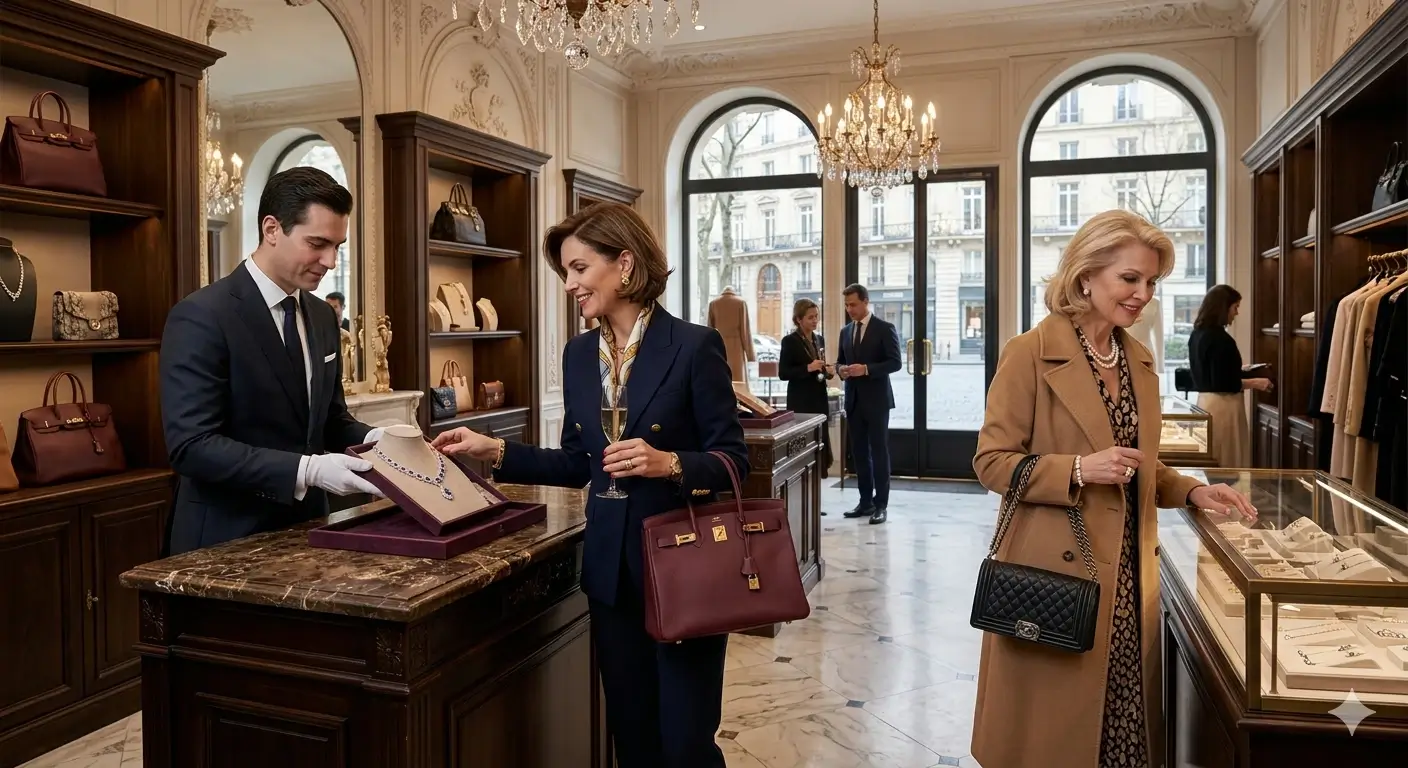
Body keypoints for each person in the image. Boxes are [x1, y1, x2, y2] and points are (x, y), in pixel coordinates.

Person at [431, 202, 748, 768]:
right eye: (566, 274)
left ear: (624, 264)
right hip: (610, 574)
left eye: (579, 269)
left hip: (683, 569)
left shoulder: (694, 347)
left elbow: (732, 462)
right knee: (633, 738)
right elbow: (579, 463)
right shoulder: (578, 356)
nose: (571, 285)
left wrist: (668, 463)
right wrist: (494, 450)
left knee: (685, 743)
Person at [969, 210, 1257, 768]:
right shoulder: (1029, 352)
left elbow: (1139, 463)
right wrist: (1077, 469)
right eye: (1130, 279)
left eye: (1151, 282)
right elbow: (991, 463)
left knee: (1120, 729)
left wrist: (1193, 491)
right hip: (1057, 574)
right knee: (1055, 738)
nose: (1142, 295)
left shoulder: (1138, 360)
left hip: (1129, 575)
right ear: (1085, 276)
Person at [160, 167, 386, 555]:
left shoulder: (320, 315)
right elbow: (192, 446)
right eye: (317, 243)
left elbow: (329, 420)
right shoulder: (202, 315)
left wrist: (374, 440)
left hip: (311, 530)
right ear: (271, 229)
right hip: (224, 540)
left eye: (338, 246)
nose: (330, 261)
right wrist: (308, 469)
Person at [835, 283, 901, 524]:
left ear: (865, 301)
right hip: (853, 401)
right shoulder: (845, 332)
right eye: (846, 305)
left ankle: (881, 505)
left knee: (879, 453)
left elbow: (895, 363)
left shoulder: (885, 328)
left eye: (853, 304)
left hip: (877, 402)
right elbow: (838, 363)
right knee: (860, 454)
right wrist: (840, 370)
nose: (849, 309)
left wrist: (866, 369)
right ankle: (865, 502)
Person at [1188, 284, 1272, 467]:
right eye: (1235, 307)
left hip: (1205, 402)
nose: (1236, 313)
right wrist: (1256, 382)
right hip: (1223, 406)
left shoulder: (1197, 334)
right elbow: (1222, 382)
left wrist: (1240, 369)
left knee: (1213, 457)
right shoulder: (1220, 338)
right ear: (1223, 307)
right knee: (1227, 460)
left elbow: (1212, 372)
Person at [778, 298, 834, 477]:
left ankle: (819, 471)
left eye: (816, 316)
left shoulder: (819, 339)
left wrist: (828, 372)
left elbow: (820, 367)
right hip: (800, 399)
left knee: (820, 437)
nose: (815, 320)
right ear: (798, 319)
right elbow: (784, 373)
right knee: (803, 439)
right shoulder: (790, 341)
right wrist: (808, 368)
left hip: (818, 396)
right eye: (810, 317)